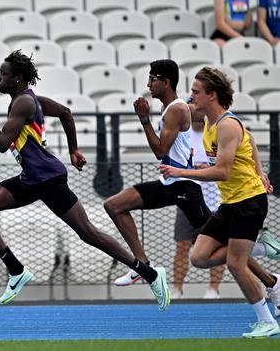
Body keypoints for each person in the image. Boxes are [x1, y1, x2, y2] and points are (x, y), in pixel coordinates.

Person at [0, 51, 170, 311]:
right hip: (32, 179)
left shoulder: (23, 104)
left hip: (47, 179)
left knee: (88, 233)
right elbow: (65, 112)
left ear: (17, 78)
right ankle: (17, 270)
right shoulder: (28, 100)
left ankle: (150, 274)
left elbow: (3, 143)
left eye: (3, 74)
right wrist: (73, 150)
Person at [159, 66, 280, 338]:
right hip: (230, 202)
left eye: (196, 91)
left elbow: (223, 171)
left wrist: (181, 172)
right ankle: (262, 248)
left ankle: (267, 320)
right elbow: (251, 141)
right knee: (199, 257)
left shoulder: (226, 124)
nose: (191, 95)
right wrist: (260, 170)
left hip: (249, 201)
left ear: (211, 95)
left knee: (237, 264)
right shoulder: (211, 124)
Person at [104, 60, 213, 288]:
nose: (148, 84)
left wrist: (144, 120)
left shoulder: (175, 109)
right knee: (114, 205)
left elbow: (160, 150)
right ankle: (142, 266)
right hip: (169, 183)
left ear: (166, 82)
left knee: (222, 241)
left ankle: (268, 274)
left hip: (184, 186)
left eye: (153, 79)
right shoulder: (172, 108)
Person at [171, 103, 225, 300]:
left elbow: (226, 163)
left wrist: (207, 168)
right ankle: (176, 289)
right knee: (182, 245)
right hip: (188, 199)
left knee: (217, 246)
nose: (196, 112)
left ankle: (213, 290)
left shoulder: (217, 131)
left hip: (214, 201)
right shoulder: (182, 134)